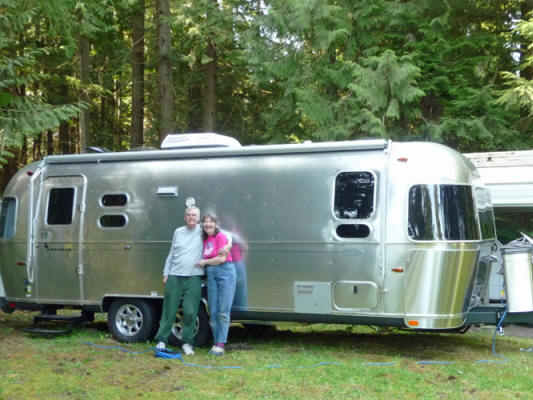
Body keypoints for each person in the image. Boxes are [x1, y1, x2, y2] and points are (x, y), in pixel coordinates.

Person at [154, 206, 230, 356]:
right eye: (188, 215)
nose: (191, 217)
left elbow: (225, 234)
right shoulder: (178, 232)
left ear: (198, 218)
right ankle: (162, 340)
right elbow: (171, 253)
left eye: (194, 215)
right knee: (169, 310)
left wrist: (228, 245)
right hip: (174, 275)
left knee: (190, 311)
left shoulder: (203, 230)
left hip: (194, 277)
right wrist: (166, 273)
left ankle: (187, 342)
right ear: (184, 217)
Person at [195, 211, 236, 356]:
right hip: (211, 276)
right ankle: (215, 342)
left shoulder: (220, 236)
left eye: (210, 221)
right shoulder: (205, 239)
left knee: (223, 310)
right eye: (205, 221)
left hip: (225, 273)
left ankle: (220, 344)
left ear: (216, 224)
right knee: (212, 310)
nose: (208, 224)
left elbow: (221, 259)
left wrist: (204, 262)